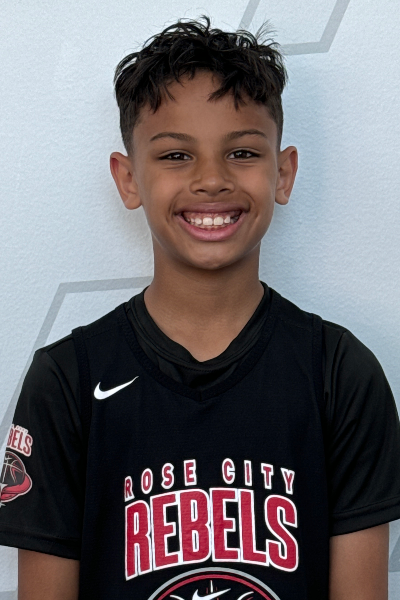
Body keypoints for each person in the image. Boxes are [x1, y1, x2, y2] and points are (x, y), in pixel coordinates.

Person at [0, 16, 399, 600]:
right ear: (128, 178)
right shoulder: (67, 381)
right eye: (175, 155)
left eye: (242, 151)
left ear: (283, 172)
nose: (212, 180)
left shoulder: (339, 374)